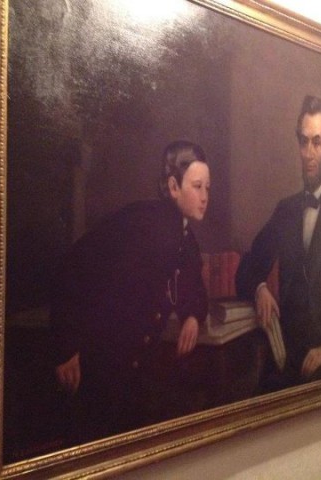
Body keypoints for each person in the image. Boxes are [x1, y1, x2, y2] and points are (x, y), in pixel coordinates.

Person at [50, 140, 210, 443]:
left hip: (137, 371)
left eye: (208, 188)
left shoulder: (186, 237)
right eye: (197, 187)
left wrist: (192, 315)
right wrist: (66, 347)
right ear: (173, 187)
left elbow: (193, 287)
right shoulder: (138, 221)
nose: (205, 197)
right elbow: (71, 268)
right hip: (100, 363)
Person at [236, 95, 321, 389]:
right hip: (284, 359)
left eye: (316, 143)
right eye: (303, 142)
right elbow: (246, 268)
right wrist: (260, 288)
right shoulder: (286, 210)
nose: (308, 153)